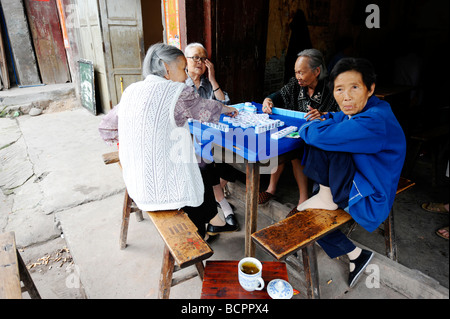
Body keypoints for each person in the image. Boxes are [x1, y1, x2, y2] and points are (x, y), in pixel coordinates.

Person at [104, 43, 238, 239]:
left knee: (198, 166)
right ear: (166, 68)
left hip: (136, 184)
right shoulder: (177, 92)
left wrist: (136, 141)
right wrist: (227, 109)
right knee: (199, 171)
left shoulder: (130, 91)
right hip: (162, 192)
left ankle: (213, 219)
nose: (185, 75)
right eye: (183, 68)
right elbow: (204, 108)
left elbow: (106, 127)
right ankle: (206, 226)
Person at [297, 57, 407, 287]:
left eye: (354, 87)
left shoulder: (374, 121)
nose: (346, 97)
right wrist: (325, 117)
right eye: (339, 89)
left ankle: (329, 203)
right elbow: (339, 117)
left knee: (322, 146)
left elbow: (317, 135)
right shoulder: (374, 107)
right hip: (369, 179)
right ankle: (355, 254)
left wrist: (309, 125)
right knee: (328, 152)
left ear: (370, 89)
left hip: (371, 195)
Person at [261, 49, 339, 216]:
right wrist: (269, 100)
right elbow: (278, 95)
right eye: (296, 72)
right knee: (278, 143)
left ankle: (303, 199)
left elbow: (343, 116)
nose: (297, 76)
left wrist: (324, 116)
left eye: (301, 72)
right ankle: (271, 189)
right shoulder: (295, 84)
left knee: (296, 153)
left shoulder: (333, 89)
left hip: (320, 138)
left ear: (317, 71)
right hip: (297, 131)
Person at [184, 42, 239, 234]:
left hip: (210, 135)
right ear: (186, 61)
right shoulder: (181, 83)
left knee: (233, 158)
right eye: (195, 58)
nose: (199, 62)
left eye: (203, 58)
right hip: (188, 140)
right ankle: (221, 203)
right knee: (206, 163)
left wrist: (213, 78)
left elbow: (225, 103)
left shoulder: (207, 83)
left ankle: (218, 200)